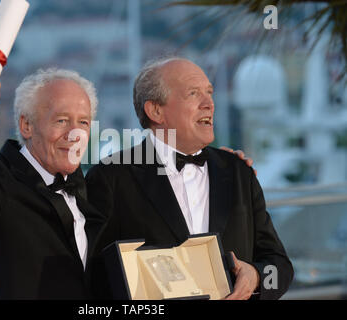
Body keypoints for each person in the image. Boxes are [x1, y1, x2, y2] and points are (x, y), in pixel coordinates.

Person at [86, 57, 294, 300]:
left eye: (209, 92)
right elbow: (93, 276)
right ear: (155, 111)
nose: (209, 104)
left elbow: (279, 265)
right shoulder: (111, 176)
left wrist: (256, 276)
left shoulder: (239, 171)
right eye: (193, 94)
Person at [0, 67, 105, 299]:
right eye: (62, 120)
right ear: (27, 125)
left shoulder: (85, 186)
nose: (75, 134)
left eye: (84, 122)